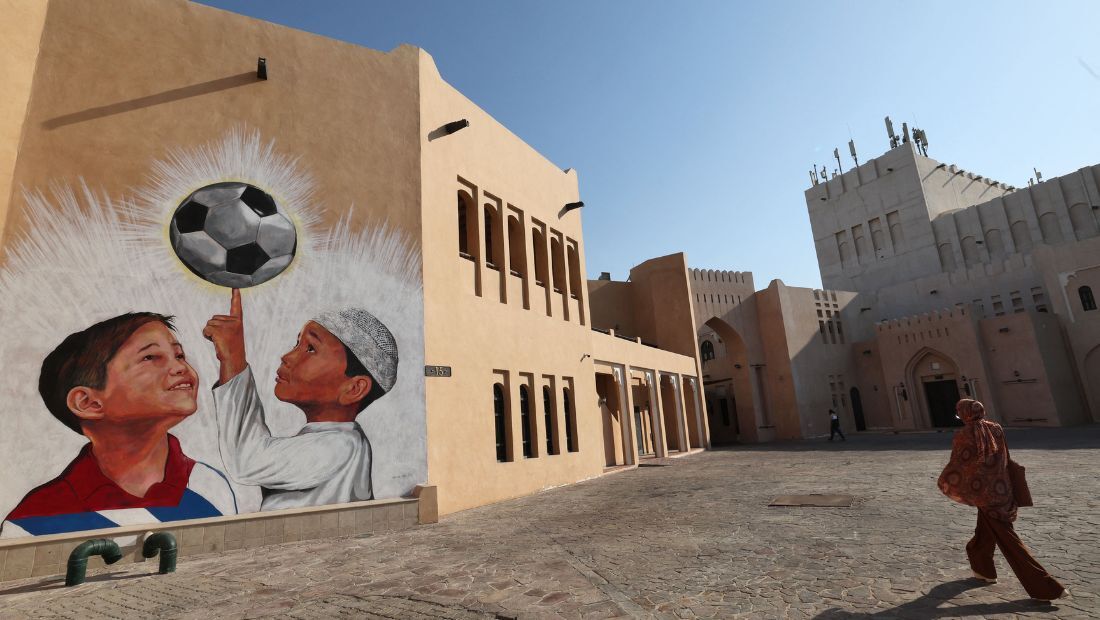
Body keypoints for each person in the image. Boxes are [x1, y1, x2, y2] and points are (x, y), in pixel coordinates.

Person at [1, 313, 236, 538]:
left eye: (179, 355)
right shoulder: (31, 522)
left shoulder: (209, 485)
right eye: (150, 357)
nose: (180, 367)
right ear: (88, 403)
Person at [204, 289, 398, 510]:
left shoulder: (338, 447)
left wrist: (233, 357)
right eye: (297, 344)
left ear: (354, 388)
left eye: (311, 349)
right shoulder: (337, 441)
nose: (287, 357)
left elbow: (247, 459)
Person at [938, 398, 1066, 601]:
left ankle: (1046, 587)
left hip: (983, 493)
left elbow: (959, 464)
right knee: (983, 535)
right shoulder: (996, 428)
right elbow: (1005, 455)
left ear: (965, 413)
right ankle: (983, 569)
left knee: (1010, 541)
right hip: (1002, 488)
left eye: (959, 412)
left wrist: (947, 482)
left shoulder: (964, 434)